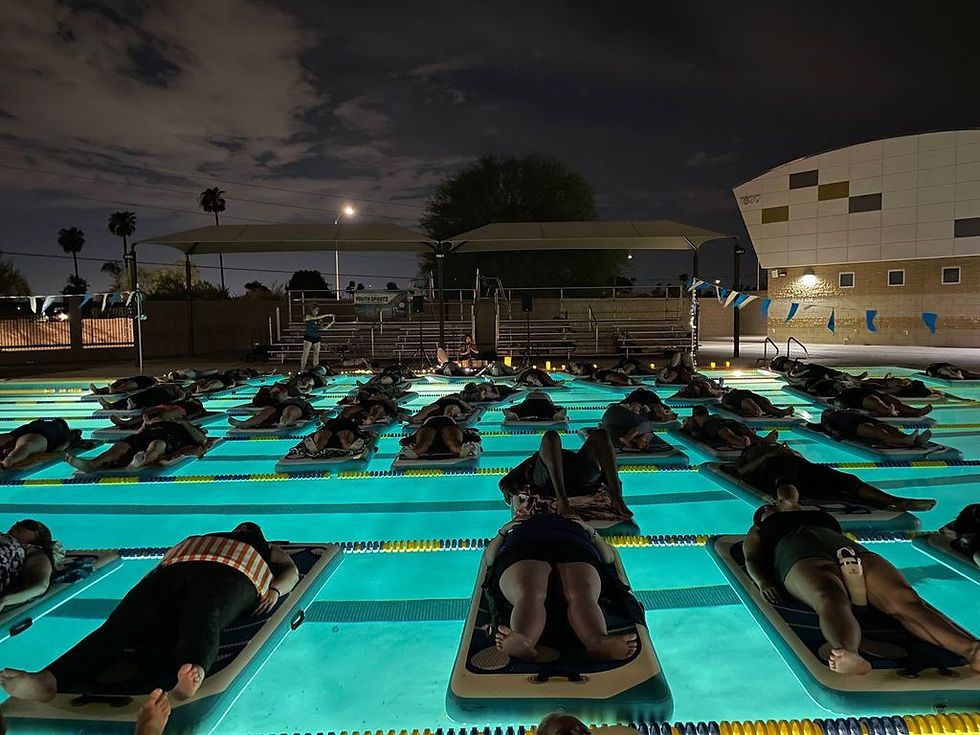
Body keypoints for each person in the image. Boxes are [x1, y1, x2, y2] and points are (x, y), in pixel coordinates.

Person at [0, 522, 300, 704]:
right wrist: (144, 588)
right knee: (123, 621)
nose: (246, 529)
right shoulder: (198, 538)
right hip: (178, 570)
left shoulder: (266, 548)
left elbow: (290, 570)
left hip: (235, 574)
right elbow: (160, 565)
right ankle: (49, 680)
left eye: (250, 528)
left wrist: (274, 590)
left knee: (204, 613)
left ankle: (189, 674)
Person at [743, 483, 980, 676]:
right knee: (829, 597)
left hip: (844, 547)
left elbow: (788, 490)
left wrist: (788, 505)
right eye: (766, 508)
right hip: (795, 550)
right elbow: (751, 558)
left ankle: (972, 650)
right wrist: (764, 581)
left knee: (905, 599)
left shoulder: (813, 513)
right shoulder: (759, 529)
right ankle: (848, 652)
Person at [484, 514, 638, 661]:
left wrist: (590, 531)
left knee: (580, 592)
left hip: (573, 548)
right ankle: (524, 640)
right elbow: (489, 560)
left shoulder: (576, 521)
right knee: (531, 591)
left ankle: (597, 642)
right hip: (526, 547)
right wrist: (503, 532)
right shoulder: (520, 521)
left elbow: (608, 557)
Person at [733, 441, 935, 511]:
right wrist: (768, 454)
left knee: (848, 480)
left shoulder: (773, 447)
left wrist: (787, 452)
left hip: (802, 466)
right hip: (775, 467)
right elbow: (742, 472)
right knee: (784, 480)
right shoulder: (751, 454)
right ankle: (790, 505)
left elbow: (800, 458)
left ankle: (897, 501)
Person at [499, 429, 630, 519]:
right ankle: (562, 500)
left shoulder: (538, 461)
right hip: (550, 483)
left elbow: (505, 482)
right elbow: (506, 481)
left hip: (578, 481)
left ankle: (616, 497)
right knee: (551, 436)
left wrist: (614, 488)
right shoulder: (535, 463)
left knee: (601, 434)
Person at [66, 418, 209, 472]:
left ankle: (139, 463)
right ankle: (91, 464)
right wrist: (144, 426)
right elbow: (139, 431)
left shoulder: (186, 428)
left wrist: (183, 422)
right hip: (145, 434)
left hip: (167, 437)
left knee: (156, 445)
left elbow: (202, 440)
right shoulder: (156, 421)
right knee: (121, 447)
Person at [0, 520, 58, 611]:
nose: (17, 524)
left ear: (39, 538)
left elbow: (41, 586)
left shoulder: (35, 552)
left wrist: (5, 600)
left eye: (29, 524)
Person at [818, 409, 932, 448]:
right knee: (878, 432)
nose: (830, 410)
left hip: (866, 419)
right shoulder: (829, 419)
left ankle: (913, 439)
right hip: (852, 425)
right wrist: (833, 431)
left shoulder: (843, 411)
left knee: (891, 429)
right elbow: (826, 426)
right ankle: (904, 441)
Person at [0, 419, 82, 470]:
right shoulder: (61, 434)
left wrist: (8, 461)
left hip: (41, 433)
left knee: (26, 445)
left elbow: (26, 446)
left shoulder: (61, 435)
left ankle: (9, 460)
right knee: (26, 445)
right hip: (41, 431)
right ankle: (9, 460)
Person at [684, 406, 776, 449]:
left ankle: (762, 440)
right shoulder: (693, 419)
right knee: (727, 432)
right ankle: (744, 442)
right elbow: (692, 430)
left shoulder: (694, 418)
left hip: (720, 423)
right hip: (714, 424)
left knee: (739, 429)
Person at [399, 416, 480, 459]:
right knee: (453, 441)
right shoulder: (451, 421)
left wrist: (407, 442)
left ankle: (416, 451)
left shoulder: (424, 425)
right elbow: (476, 439)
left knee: (423, 443)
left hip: (430, 424)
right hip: (447, 423)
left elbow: (402, 442)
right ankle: (459, 449)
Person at [599, 401, 665, 450]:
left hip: (609, 425)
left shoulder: (620, 441)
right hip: (611, 417)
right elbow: (646, 426)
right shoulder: (648, 432)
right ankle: (628, 437)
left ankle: (628, 438)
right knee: (647, 426)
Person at [832, 385, 932, 418]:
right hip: (859, 398)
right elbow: (839, 405)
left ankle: (915, 411)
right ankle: (889, 412)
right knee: (875, 402)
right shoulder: (841, 396)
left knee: (892, 400)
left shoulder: (851, 388)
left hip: (871, 392)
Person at [228, 395, 315, 430]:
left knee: (290, 411)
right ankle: (245, 423)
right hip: (281, 405)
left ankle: (284, 422)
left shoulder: (303, 401)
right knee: (267, 411)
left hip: (300, 407)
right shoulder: (288, 398)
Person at [109, 400, 208, 431]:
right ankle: (126, 423)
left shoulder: (196, 406)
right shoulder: (184, 401)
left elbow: (200, 412)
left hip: (180, 410)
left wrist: (188, 418)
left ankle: (149, 423)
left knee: (164, 415)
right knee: (147, 414)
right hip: (169, 406)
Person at [299, 416, 371, 456]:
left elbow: (322, 419)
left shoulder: (330, 422)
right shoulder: (349, 422)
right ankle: (348, 447)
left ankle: (318, 447)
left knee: (322, 436)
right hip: (345, 428)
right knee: (345, 436)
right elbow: (362, 434)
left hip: (329, 429)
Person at [97, 383, 186, 411]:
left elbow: (181, 397)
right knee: (134, 396)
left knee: (147, 400)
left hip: (163, 395)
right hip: (154, 391)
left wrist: (173, 400)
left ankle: (135, 405)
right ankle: (112, 405)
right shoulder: (167, 385)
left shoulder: (179, 390)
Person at [721, 388, 793, 418]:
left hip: (751, 398)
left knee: (764, 407)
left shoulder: (730, 396)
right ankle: (780, 412)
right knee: (760, 410)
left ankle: (780, 412)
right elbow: (726, 404)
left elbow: (726, 404)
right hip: (746, 399)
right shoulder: (730, 397)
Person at [407, 394, 476, 424]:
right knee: (429, 408)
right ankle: (414, 418)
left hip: (447, 402)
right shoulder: (460, 399)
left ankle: (414, 418)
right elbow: (469, 408)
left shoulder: (460, 399)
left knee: (428, 409)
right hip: (449, 402)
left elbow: (468, 408)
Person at [300, 305, 331, 371]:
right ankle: (302, 369)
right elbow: (316, 317)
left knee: (316, 354)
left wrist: (330, 324)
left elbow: (323, 328)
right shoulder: (308, 316)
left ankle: (315, 369)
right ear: (312, 310)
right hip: (308, 337)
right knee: (305, 354)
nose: (316, 311)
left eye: (317, 310)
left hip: (316, 337)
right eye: (314, 310)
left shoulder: (319, 319)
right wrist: (327, 315)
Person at [862, 375, 938, 399]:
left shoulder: (897, 389)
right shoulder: (898, 386)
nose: (894, 378)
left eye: (905, 383)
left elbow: (882, 392)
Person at [89, 375, 159, 395]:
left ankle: (115, 390)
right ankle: (99, 390)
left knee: (129, 384)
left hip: (145, 381)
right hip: (138, 378)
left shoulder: (152, 381)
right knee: (120, 382)